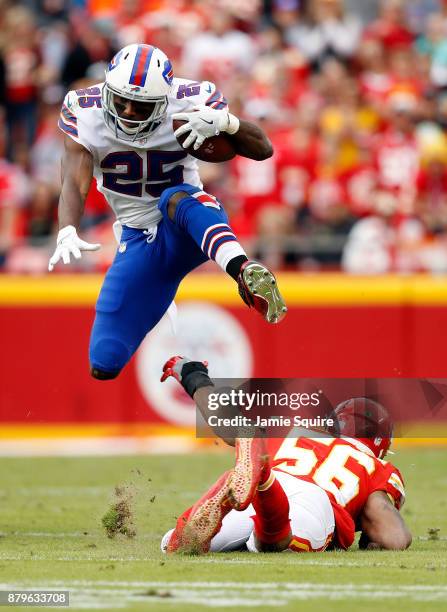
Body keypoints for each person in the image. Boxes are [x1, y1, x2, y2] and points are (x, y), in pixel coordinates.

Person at [48, 43, 287, 381]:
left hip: (190, 224)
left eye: (141, 106)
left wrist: (227, 123)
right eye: (121, 101)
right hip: (138, 239)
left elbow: (262, 149)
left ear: (162, 104)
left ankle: (242, 271)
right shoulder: (83, 109)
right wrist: (67, 228)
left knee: (172, 198)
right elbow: (74, 179)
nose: (129, 111)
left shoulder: (192, 100)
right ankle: (190, 373)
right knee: (104, 361)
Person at [160, 357, 411, 554]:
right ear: (380, 444)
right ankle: (264, 481)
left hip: (279, 480)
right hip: (316, 502)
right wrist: (369, 538)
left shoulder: (297, 434)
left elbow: (226, 426)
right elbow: (393, 536)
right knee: (272, 543)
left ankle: (263, 478)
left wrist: (195, 377)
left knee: (176, 544)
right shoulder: (374, 465)